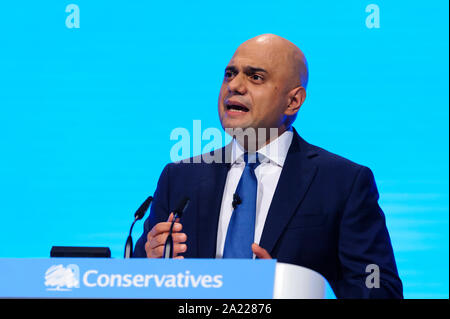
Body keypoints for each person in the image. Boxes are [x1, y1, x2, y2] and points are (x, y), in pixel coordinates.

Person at [133, 34, 403, 298]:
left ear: (293, 101)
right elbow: (132, 281)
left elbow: (380, 289)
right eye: (230, 74)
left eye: (255, 77)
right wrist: (151, 263)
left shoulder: (343, 183)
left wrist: (297, 288)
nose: (234, 86)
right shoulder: (180, 178)